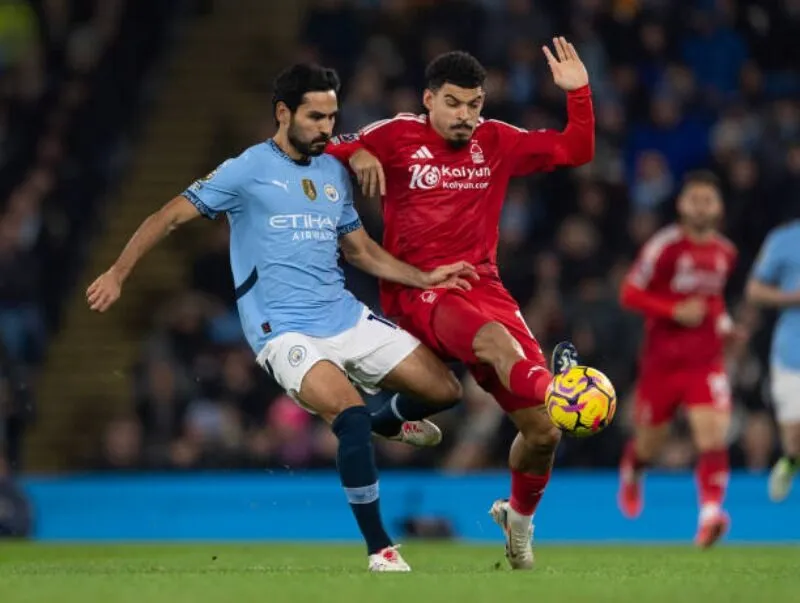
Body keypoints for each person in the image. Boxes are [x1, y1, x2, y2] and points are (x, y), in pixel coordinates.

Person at [86, 63, 478, 572]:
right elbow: (167, 216)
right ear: (283, 113)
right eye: (315, 117)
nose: (326, 128)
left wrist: (422, 278)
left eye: (333, 117)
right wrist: (118, 273)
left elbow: (360, 251)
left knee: (445, 391)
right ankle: (380, 547)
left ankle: (390, 421)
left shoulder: (334, 171)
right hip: (282, 331)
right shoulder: (245, 171)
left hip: (344, 316)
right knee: (350, 418)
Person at [325, 38, 596, 569]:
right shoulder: (395, 134)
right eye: (453, 102)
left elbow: (576, 150)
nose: (466, 115)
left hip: (484, 288)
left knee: (544, 431)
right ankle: (562, 385)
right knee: (496, 346)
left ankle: (517, 520)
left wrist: (580, 92)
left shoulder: (495, 141)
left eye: (475, 105)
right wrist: (354, 151)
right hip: (419, 289)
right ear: (429, 99)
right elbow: (326, 144)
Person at [618, 171, 739, 548]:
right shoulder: (664, 247)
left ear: (718, 208)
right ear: (681, 205)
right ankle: (633, 471)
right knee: (649, 446)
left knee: (712, 435)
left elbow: (714, 300)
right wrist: (672, 310)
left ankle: (709, 516)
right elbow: (629, 292)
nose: (701, 206)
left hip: (705, 360)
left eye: (708, 200)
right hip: (662, 363)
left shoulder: (726, 253)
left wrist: (725, 323)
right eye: (695, 199)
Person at [746, 214, 800, 502]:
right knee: (795, 438)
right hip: (794, 350)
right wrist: (793, 298)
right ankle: (791, 460)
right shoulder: (784, 239)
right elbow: (754, 290)